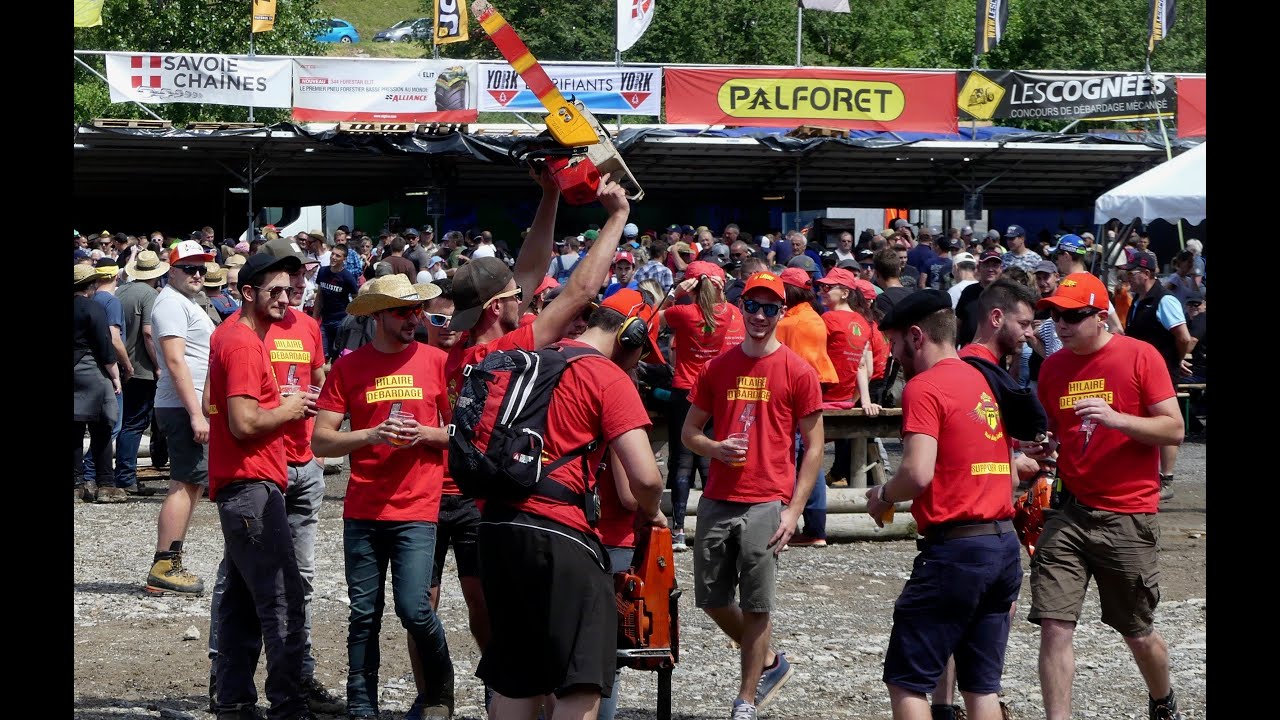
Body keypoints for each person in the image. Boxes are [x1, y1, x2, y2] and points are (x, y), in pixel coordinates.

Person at [474, 289, 667, 719]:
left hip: (498, 528)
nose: (638, 361)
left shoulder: (534, 357)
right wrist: (650, 511)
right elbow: (646, 477)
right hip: (560, 534)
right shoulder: (608, 376)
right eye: (641, 350)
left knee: (516, 673)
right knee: (580, 681)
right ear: (630, 334)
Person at [1022, 272, 1187, 720]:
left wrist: (1118, 420)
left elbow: (1174, 428)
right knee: (1054, 624)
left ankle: (1161, 699)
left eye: (1073, 316)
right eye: (1055, 315)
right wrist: (1046, 449)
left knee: (1137, 631)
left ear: (1100, 316)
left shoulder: (1140, 355)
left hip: (1127, 514)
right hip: (1070, 511)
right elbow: (1063, 432)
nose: (1062, 324)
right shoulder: (1053, 368)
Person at [863, 289, 1022, 720]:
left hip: (957, 550)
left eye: (895, 344)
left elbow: (916, 473)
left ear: (917, 337)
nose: (894, 356)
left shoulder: (925, 387)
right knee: (982, 688)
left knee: (907, 680)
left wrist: (882, 496)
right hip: (1003, 545)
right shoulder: (982, 379)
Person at [206, 237, 346, 714]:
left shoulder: (233, 335)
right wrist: (288, 409)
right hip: (250, 485)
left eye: (290, 290)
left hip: (246, 484)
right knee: (282, 600)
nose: (286, 300)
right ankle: (288, 704)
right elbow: (243, 423)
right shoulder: (244, 344)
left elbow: (220, 408)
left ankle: (235, 704)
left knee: (243, 605)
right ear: (248, 293)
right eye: (276, 292)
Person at [682, 271, 824, 720]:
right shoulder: (716, 367)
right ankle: (767, 659)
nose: (760, 316)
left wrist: (795, 509)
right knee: (710, 597)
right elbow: (689, 432)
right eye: (753, 306)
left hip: (767, 499)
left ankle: (746, 698)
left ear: (782, 312)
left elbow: (815, 445)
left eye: (770, 308)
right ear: (741, 307)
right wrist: (715, 448)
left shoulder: (797, 370)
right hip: (719, 496)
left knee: (757, 603)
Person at [311, 275, 455, 719]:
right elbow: (320, 441)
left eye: (416, 311)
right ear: (376, 315)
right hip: (364, 507)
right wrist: (370, 433)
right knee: (364, 614)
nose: (413, 318)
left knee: (414, 608)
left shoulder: (437, 361)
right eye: (402, 311)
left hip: (417, 506)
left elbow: (461, 433)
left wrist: (424, 434)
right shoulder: (349, 367)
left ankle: (439, 689)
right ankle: (361, 705)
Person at [658, 261, 746, 551]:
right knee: (712, 455)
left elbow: (651, 320)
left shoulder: (682, 313)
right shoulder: (729, 312)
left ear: (691, 286)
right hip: (715, 390)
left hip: (684, 388)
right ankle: (716, 525)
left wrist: (674, 293)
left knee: (682, 461)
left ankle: (679, 530)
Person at [146, 240, 218, 595]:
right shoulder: (171, 304)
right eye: (190, 268)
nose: (198, 274)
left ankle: (169, 562)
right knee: (185, 483)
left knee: (192, 483)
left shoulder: (183, 301)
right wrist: (195, 415)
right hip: (181, 405)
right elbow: (174, 361)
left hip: (186, 405)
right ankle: (164, 564)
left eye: (202, 268)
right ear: (171, 270)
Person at [1121, 251, 1196, 500]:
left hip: (1160, 372)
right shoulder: (1139, 300)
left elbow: (1183, 337)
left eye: (1132, 273)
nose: (1127, 277)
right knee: (1143, 422)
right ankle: (1145, 475)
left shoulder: (1165, 300)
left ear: (1147, 273)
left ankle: (1167, 479)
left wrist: (1175, 361)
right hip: (1139, 372)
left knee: (1165, 423)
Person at [774, 267, 837, 549]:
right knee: (813, 459)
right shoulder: (814, 317)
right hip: (814, 393)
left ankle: (785, 527)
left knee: (790, 458)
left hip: (791, 397)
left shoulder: (789, 323)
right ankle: (816, 529)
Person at [813, 269, 881, 487]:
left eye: (827, 288)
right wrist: (863, 400)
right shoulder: (863, 323)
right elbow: (864, 367)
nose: (821, 291)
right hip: (847, 401)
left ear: (844, 293)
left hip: (822, 400)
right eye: (821, 286)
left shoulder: (826, 319)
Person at [112, 250, 168, 498]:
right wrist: (158, 365)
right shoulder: (150, 295)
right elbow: (148, 333)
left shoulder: (120, 290)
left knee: (123, 423)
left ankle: (120, 474)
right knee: (135, 424)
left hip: (120, 366)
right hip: (142, 369)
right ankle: (126, 477)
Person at [74, 264, 122, 502]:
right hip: (91, 370)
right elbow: (105, 346)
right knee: (102, 427)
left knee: (73, 430)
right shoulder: (94, 308)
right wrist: (115, 375)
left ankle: (76, 485)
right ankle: (106, 485)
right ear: (91, 285)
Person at [313, 243, 361, 363]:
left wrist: (352, 320)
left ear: (344, 259)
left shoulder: (348, 277)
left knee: (337, 356)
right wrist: (314, 317)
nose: (333, 257)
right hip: (325, 320)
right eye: (333, 254)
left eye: (338, 256)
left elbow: (356, 299)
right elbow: (319, 296)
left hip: (341, 320)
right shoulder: (323, 271)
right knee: (322, 354)